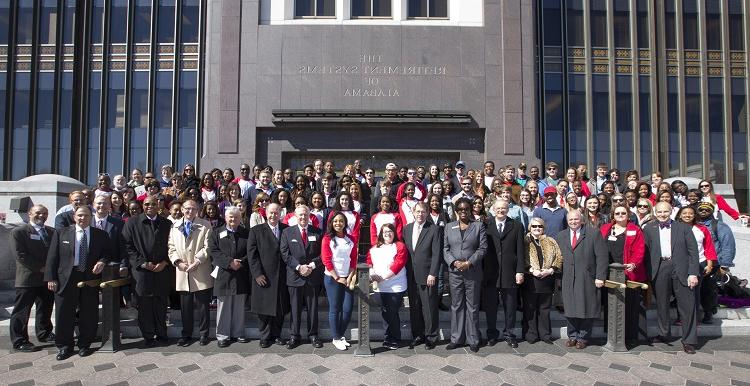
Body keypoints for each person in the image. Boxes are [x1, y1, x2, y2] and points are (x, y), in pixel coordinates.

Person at [45, 206, 110, 360]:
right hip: (66, 278)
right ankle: (64, 346)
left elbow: (108, 253)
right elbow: (52, 257)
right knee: (64, 313)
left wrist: (102, 261)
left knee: (89, 312)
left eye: (86, 215)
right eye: (80, 215)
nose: (83, 218)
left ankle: (84, 345)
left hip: (90, 277)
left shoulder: (100, 234)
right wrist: (50, 278)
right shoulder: (61, 233)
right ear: (74, 216)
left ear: (91, 217)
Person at [643, 202, 700, 354]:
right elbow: (645, 252)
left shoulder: (684, 228)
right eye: (659, 212)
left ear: (671, 211)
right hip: (660, 268)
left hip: (682, 269)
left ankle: (689, 340)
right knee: (662, 304)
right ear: (655, 212)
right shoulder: (648, 229)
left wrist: (693, 273)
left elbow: (693, 252)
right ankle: (663, 334)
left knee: (687, 306)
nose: (662, 214)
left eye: (665, 212)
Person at [122, 195, 173, 348]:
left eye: (153, 204)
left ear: (159, 205)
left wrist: (165, 262)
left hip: (162, 270)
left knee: (161, 303)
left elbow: (173, 246)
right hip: (142, 271)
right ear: (142, 206)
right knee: (144, 305)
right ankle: (148, 336)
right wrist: (143, 263)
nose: (149, 206)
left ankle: (162, 334)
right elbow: (127, 246)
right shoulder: (132, 223)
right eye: (146, 204)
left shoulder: (167, 223)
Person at [555, 209, 608, 349]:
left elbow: (602, 257)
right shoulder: (561, 236)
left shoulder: (593, 233)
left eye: (576, 219)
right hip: (568, 278)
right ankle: (572, 336)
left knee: (586, 308)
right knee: (570, 309)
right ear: (567, 221)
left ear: (581, 219)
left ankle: (583, 337)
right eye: (570, 220)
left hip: (587, 278)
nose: (573, 222)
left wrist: (600, 276)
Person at [9, 205, 55, 352]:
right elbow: (20, 255)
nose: (42, 216)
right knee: (22, 311)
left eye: (45, 213)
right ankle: (19, 340)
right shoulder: (19, 232)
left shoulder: (51, 232)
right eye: (38, 213)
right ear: (30, 213)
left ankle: (44, 333)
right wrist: (41, 268)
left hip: (46, 279)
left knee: (45, 308)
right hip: (27, 279)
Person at [168, 199, 214, 347]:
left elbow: (208, 246)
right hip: (182, 271)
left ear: (198, 210)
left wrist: (197, 261)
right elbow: (171, 247)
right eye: (187, 209)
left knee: (202, 306)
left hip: (200, 269)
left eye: (194, 209)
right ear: (182, 209)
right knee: (185, 307)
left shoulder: (205, 225)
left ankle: (203, 334)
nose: (190, 211)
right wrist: (178, 262)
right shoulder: (175, 226)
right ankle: (186, 334)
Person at [444, 198, 487, 352]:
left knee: (473, 306)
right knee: (456, 305)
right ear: (456, 211)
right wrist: (454, 262)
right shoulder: (449, 227)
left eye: (466, 209)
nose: (463, 212)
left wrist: (469, 263)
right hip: (455, 272)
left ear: (470, 210)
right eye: (460, 209)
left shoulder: (478, 226)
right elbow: (446, 249)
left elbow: (482, 248)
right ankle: (456, 338)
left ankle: (473, 339)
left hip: (472, 272)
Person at [280, 205, 324, 349]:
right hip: (295, 276)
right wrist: (299, 267)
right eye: (300, 215)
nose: (303, 217)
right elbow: (285, 253)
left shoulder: (318, 232)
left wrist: (311, 266)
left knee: (312, 308)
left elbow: (323, 254)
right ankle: (294, 335)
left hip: (312, 276)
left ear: (309, 216)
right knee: (295, 308)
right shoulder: (287, 232)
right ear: (295, 216)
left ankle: (313, 335)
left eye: (305, 214)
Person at [483, 200, 525, 348]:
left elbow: (520, 250)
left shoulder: (517, 226)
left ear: (508, 209)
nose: (501, 210)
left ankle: (509, 334)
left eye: (504, 208)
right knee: (491, 307)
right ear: (493, 209)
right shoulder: (485, 225)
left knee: (510, 306)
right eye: (498, 208)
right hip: (490, 272)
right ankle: (491, 334)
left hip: (510, 272)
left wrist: (520, 271)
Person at [247, 203, 290, 348]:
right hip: (264, 276)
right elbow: (252, 255)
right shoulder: (256, 231)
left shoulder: (286, 230)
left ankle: (277, 335)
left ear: (280, 214)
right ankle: (265, 336)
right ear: (266, 213)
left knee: (280, 307)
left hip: (282, 276)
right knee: (264, 308)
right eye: (271, 213)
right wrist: (257, 274)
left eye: (276, 213)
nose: (273, 216)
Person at [209, 206, 250, 348]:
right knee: (223, 306)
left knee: (239, 306)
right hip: (224, 274)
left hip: (240, 273)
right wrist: (229, 262)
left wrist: (241, 262)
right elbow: (213, 251)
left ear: (240, 218)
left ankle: (238, 333)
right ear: (225, 218)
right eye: (230, 217)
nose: (233, 219)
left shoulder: (246, 233)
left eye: (236, 217)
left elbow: (250, 251)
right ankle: (223, 335)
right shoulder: (216, 233)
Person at [404, 202, 442, 349]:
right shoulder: (407, 229)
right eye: (417, 211)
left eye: (423, 212)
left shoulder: (433, 229)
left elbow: (437, 254)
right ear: (413, 212)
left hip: (428, 275)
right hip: (411, 275)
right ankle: (418, 335)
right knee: (415, 306)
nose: (420, 214)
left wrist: (433, 273)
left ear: (427, 213)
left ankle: (431, 337)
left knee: (429, 307)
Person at [367, 223, 408, 350]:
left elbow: (399, 263)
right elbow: (369, 262)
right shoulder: (374, 248)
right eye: (385, 232)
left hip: (395, 285)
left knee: (392, 312)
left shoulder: (399, 246)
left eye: (390, 231)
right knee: (384, 313)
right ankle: (387, 337)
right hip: (380, 287)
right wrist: (372, 274)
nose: (388, 234)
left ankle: (395, 338)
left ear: (394, 232)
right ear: (381, 234)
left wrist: (383, 277)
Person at [321, 211, 358, 350]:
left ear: (345, 223)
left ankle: (339, 334)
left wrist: (349, 275)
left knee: (347, 309)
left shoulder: (351, 239)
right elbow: (326, 260)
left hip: (347, 278)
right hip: (332, 278)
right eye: (335, 221)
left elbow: (353, 258)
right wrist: (337, 277)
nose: (338, 223)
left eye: (341, 221)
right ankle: (336, 337)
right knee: (335, 309)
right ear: (331, 223)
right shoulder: (327, 239)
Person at [523, 217, 563, 344]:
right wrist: (531, 270)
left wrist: (551, 270)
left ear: (543, 228)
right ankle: (531, 335)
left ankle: (545, 335)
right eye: (534, 226)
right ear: (530, 228)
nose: (537, 229)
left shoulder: (551, 241)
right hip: (531, 279)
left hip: (547, 279)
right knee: (531, 309)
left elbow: (559, 257)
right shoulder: (525, 240)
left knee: (544, 309)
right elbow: (521, 258)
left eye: (540, 226)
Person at [677, 205, 718, 325]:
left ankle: (694, 318)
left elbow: (709, 247)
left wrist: (710, 263)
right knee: (680, 293)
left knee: (694, 292)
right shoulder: (674, 228)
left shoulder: (702, 229)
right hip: (680, 264)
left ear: (695, 215)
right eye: (684, 213)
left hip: (699, 263)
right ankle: (682, 317)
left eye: (690, 213)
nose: (687, 216)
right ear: (680, 214)